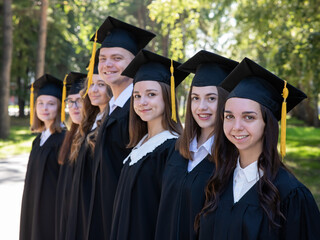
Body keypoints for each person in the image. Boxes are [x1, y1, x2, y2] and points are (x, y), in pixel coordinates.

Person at [197, 57, 320, 239]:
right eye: (229, 116)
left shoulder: (292, 195)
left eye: (248, 117)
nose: (236, 126)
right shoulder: (218, 181)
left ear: (267, 124)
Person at [155, 50, 238, 240]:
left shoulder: (231, 158)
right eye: (195, 98)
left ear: (224, 101)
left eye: (211, 98)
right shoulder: (176, 150)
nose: (201, 107)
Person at [88, 16, 156, 239]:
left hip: (126, 223)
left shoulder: (138, 113)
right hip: (103, 216)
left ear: (135, 63)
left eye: (117, 58)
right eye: (103, 58)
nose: (107, 65)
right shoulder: (112, 110)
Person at [110, 49, 189, 240]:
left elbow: (168, 216)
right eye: (137, 96)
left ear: (167, 97)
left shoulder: (172, 148)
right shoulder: (139, 145)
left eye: (151, 94)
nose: (142, 102)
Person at [64, 50, 112, 240]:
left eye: (101, 84)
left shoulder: (112, 122)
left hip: (96, 211)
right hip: (80, 208)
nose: (93, 89)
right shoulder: (89, 124)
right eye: (91, 84)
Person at [20, 74, 65, 240]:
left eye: (51, 104)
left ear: (59, 108)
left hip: (51, 209)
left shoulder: (64, 139)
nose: (44, 108)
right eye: (40, 103)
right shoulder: (38, 140)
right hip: (33, 205)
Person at [55, 72, 86, 240]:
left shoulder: (93, 139)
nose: (74, 106)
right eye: (70, 101)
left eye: (80, 101)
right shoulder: (70, 137)